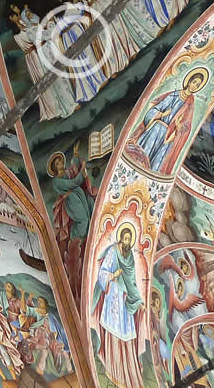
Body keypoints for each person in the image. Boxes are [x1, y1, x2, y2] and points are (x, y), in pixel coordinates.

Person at [92, 225, 146, 388]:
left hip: (125, 298)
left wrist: (138, 299)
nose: (127, 241)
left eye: (130, 239)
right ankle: (113, 369)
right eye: (125, 238)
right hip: (114, 297)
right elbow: (102, 273)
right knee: (114, 332)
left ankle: (127, 371)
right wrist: (114, 275)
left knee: (127, 335)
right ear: (121, 238)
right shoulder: (112, 251)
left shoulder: (129, 256)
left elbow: (132, 281)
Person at [129, 67, 208, 175]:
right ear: (189, 82)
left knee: (153, 167)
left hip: (168, 137)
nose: (194, 86)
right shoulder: (173, 95)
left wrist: (179, 125)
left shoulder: (190, 105)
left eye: (198, 85)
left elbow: (186, 128)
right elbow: (154, 109)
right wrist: (162, 114)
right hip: (156, 130)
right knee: (141, 156)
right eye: (194, 82)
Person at [49, 145, 95, 298]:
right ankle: (78, 239)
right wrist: (81, 173)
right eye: (57, 164)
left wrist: (76, 155)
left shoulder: (68, 172)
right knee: (82, 220)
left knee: (90, 213)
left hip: (79, 195)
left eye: (60, 162)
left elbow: (74, 170)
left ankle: (87, 238)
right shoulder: (57, 182)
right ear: (54, 168)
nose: (60, 164)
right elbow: (73, 182)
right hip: (72, 200)